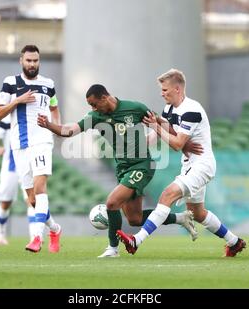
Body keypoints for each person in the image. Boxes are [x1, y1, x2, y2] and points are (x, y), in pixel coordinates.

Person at [38, 84, 199, 258]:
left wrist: (183, 143)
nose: (93, 108)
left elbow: (162, 123)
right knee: (134, 219)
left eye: (94, 104)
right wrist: (48, 125)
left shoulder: (135, 108)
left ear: (104, 98)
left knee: (112, 203)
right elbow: (68, 131)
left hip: (141, 166)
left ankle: (112, 249)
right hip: (122, 169)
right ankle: (180, 218)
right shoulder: (95, 116)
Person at [117, 68, 246, 257]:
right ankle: (234, 242)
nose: (162, 94)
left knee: (167, 194)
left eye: (165, 90)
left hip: (202, 164)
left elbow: (177, 144)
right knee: (198, 213)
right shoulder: (169, 109)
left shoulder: (192, 110)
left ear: (177, 89)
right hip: (189, 165)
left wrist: (157, 126)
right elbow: (157, 136)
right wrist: (136, 146)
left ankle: (137, 240)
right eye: (161, 90)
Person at [0, 45, 61, 253]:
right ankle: (55, 229)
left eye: (35, 61)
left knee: (41, 188)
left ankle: (36, 238)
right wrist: (18, 100)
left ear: (39, 61)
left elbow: (54, 107)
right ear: (21, 61)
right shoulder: (10, 83)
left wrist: (56, 128)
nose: (32, 64)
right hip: (19, 144)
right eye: (28, 61)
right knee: (32, 199)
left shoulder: (48, 84)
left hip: (42, 140)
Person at [0, 114, 56, 245]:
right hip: (11, 167)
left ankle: (35, 236)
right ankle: (1, 233)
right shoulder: (8, 119)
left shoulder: (35, 116)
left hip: (31, 164)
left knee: (32, 200)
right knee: (5, 202)